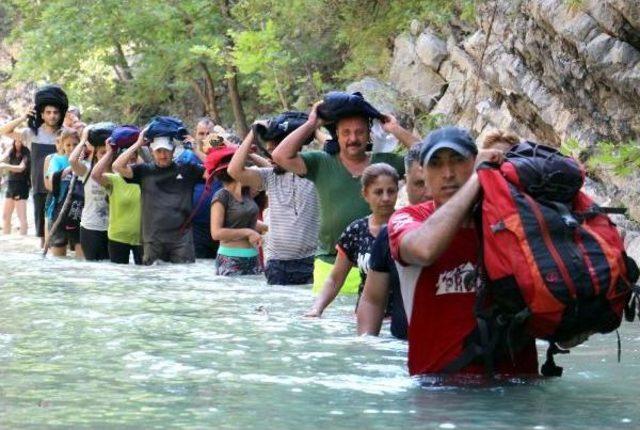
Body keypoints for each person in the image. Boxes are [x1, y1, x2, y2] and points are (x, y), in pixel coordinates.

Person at [387, 126, 538, 376]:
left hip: (517, 389)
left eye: (458, 161)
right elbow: (425, 249)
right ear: (423, 174)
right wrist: (479, 178)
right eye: (436, 164)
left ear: (473, 161)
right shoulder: (409, 218)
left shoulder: (509, 220)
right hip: (440, 391)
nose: (447, 173)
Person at [272, 101, 419, 293]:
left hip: (377, 265)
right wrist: (312, 124)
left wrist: (394, 128)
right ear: (337, 136)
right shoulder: (320, 162)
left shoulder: (384, 164)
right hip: (329, 266)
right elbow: (280, 156)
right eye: (346, 133)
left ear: (369, 134)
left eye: (359, 132)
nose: (353, 138)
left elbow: (425, 155)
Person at [228, 119, 320, 285]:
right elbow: (234, 170)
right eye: (268, 152)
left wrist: (314, 127)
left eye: (275, 152)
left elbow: (335, 152)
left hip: (311, 261)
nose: (270, 157)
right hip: (277, 264)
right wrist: (252, 133)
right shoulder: (269, 176)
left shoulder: (314, 173)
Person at [305, 163, 399, 316]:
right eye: (378, 192)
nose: (386, 198)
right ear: (365, 194)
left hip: (400, 320)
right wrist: (317, 309)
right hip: (364, 318)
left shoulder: (407, 226)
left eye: (391, 191)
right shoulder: (356, 231)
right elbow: (335, 279)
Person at [357, 143, 430, 340]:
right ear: (406, 184)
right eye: (420, 183)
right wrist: (366, 348)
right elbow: (372, 300)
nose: (429, 192)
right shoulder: (389, 233)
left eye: (434, 181)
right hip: (402, 350)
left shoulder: (477, 225)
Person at [113, 129, 205, 265]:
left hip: (182, 240)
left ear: (173, 150)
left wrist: (196, 149)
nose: (163, 155)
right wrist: (138, 144)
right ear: (151, 151)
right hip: (153, 239)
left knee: (183, 280)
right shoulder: (144, 170)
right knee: (153, 281)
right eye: (159, 151)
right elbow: (117, 166)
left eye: (166, 151)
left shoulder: (187, 169)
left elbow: (215, 170)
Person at [0, 86, 67, 247]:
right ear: (42, 114)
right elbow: (4, 130)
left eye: (55, 112)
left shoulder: (66, 134)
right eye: (48, 112)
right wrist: (23, 117)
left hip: (63, 190)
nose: (52, 116)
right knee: (43, 237)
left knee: (63, 236)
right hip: (39, 189)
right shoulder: (32, 134)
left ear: (60, 114)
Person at [208, 146, 268, 276]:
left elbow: (271, 169)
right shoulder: (221, 196)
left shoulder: (247, 192)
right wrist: (247, 232)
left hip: (253, 258)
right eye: (244, 167)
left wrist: (249, 154)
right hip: (230, 259)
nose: (248, 170)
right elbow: (216, 233)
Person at [91, 141, 143, 265]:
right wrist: (109, 153)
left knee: (144, 277)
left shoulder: (144, 177)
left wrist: (138, 144)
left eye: (133, 159)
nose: (130, 163)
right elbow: (95, 174)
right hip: (118, 237)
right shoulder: (114, 179)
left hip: (142, 238)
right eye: (127, 160)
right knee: (119, 277)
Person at [69, 125, 112, 261]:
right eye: (101, 153)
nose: (105, 156)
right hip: (90, 227)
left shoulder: (119, 171)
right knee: (93, 268)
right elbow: (72, 161)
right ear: (95, 154)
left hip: (112, 229)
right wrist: (83, 141)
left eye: (108, 153)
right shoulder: (87, 170)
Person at [45, 127, 83, 258]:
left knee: (82, 259)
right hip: (58, 212)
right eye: (68, 145)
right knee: (58, 260)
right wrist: (70, 168)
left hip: (79, 213)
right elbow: (50, 183)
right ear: (61, 145)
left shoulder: (85, 161)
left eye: (75, 144)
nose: (72, 148)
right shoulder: (57, 160)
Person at [0, 137, 31, 235]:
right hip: (11, 186)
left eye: (20, 141)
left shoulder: (27, 154)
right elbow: (1, 159)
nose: (18, 143)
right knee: (5, 216)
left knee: (21, 217)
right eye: (16, 141)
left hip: (21, 186)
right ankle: (6, 239)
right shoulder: (11, 151)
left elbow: (21, 168)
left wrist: (5, 166)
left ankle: (23, 241)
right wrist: (8, 148)